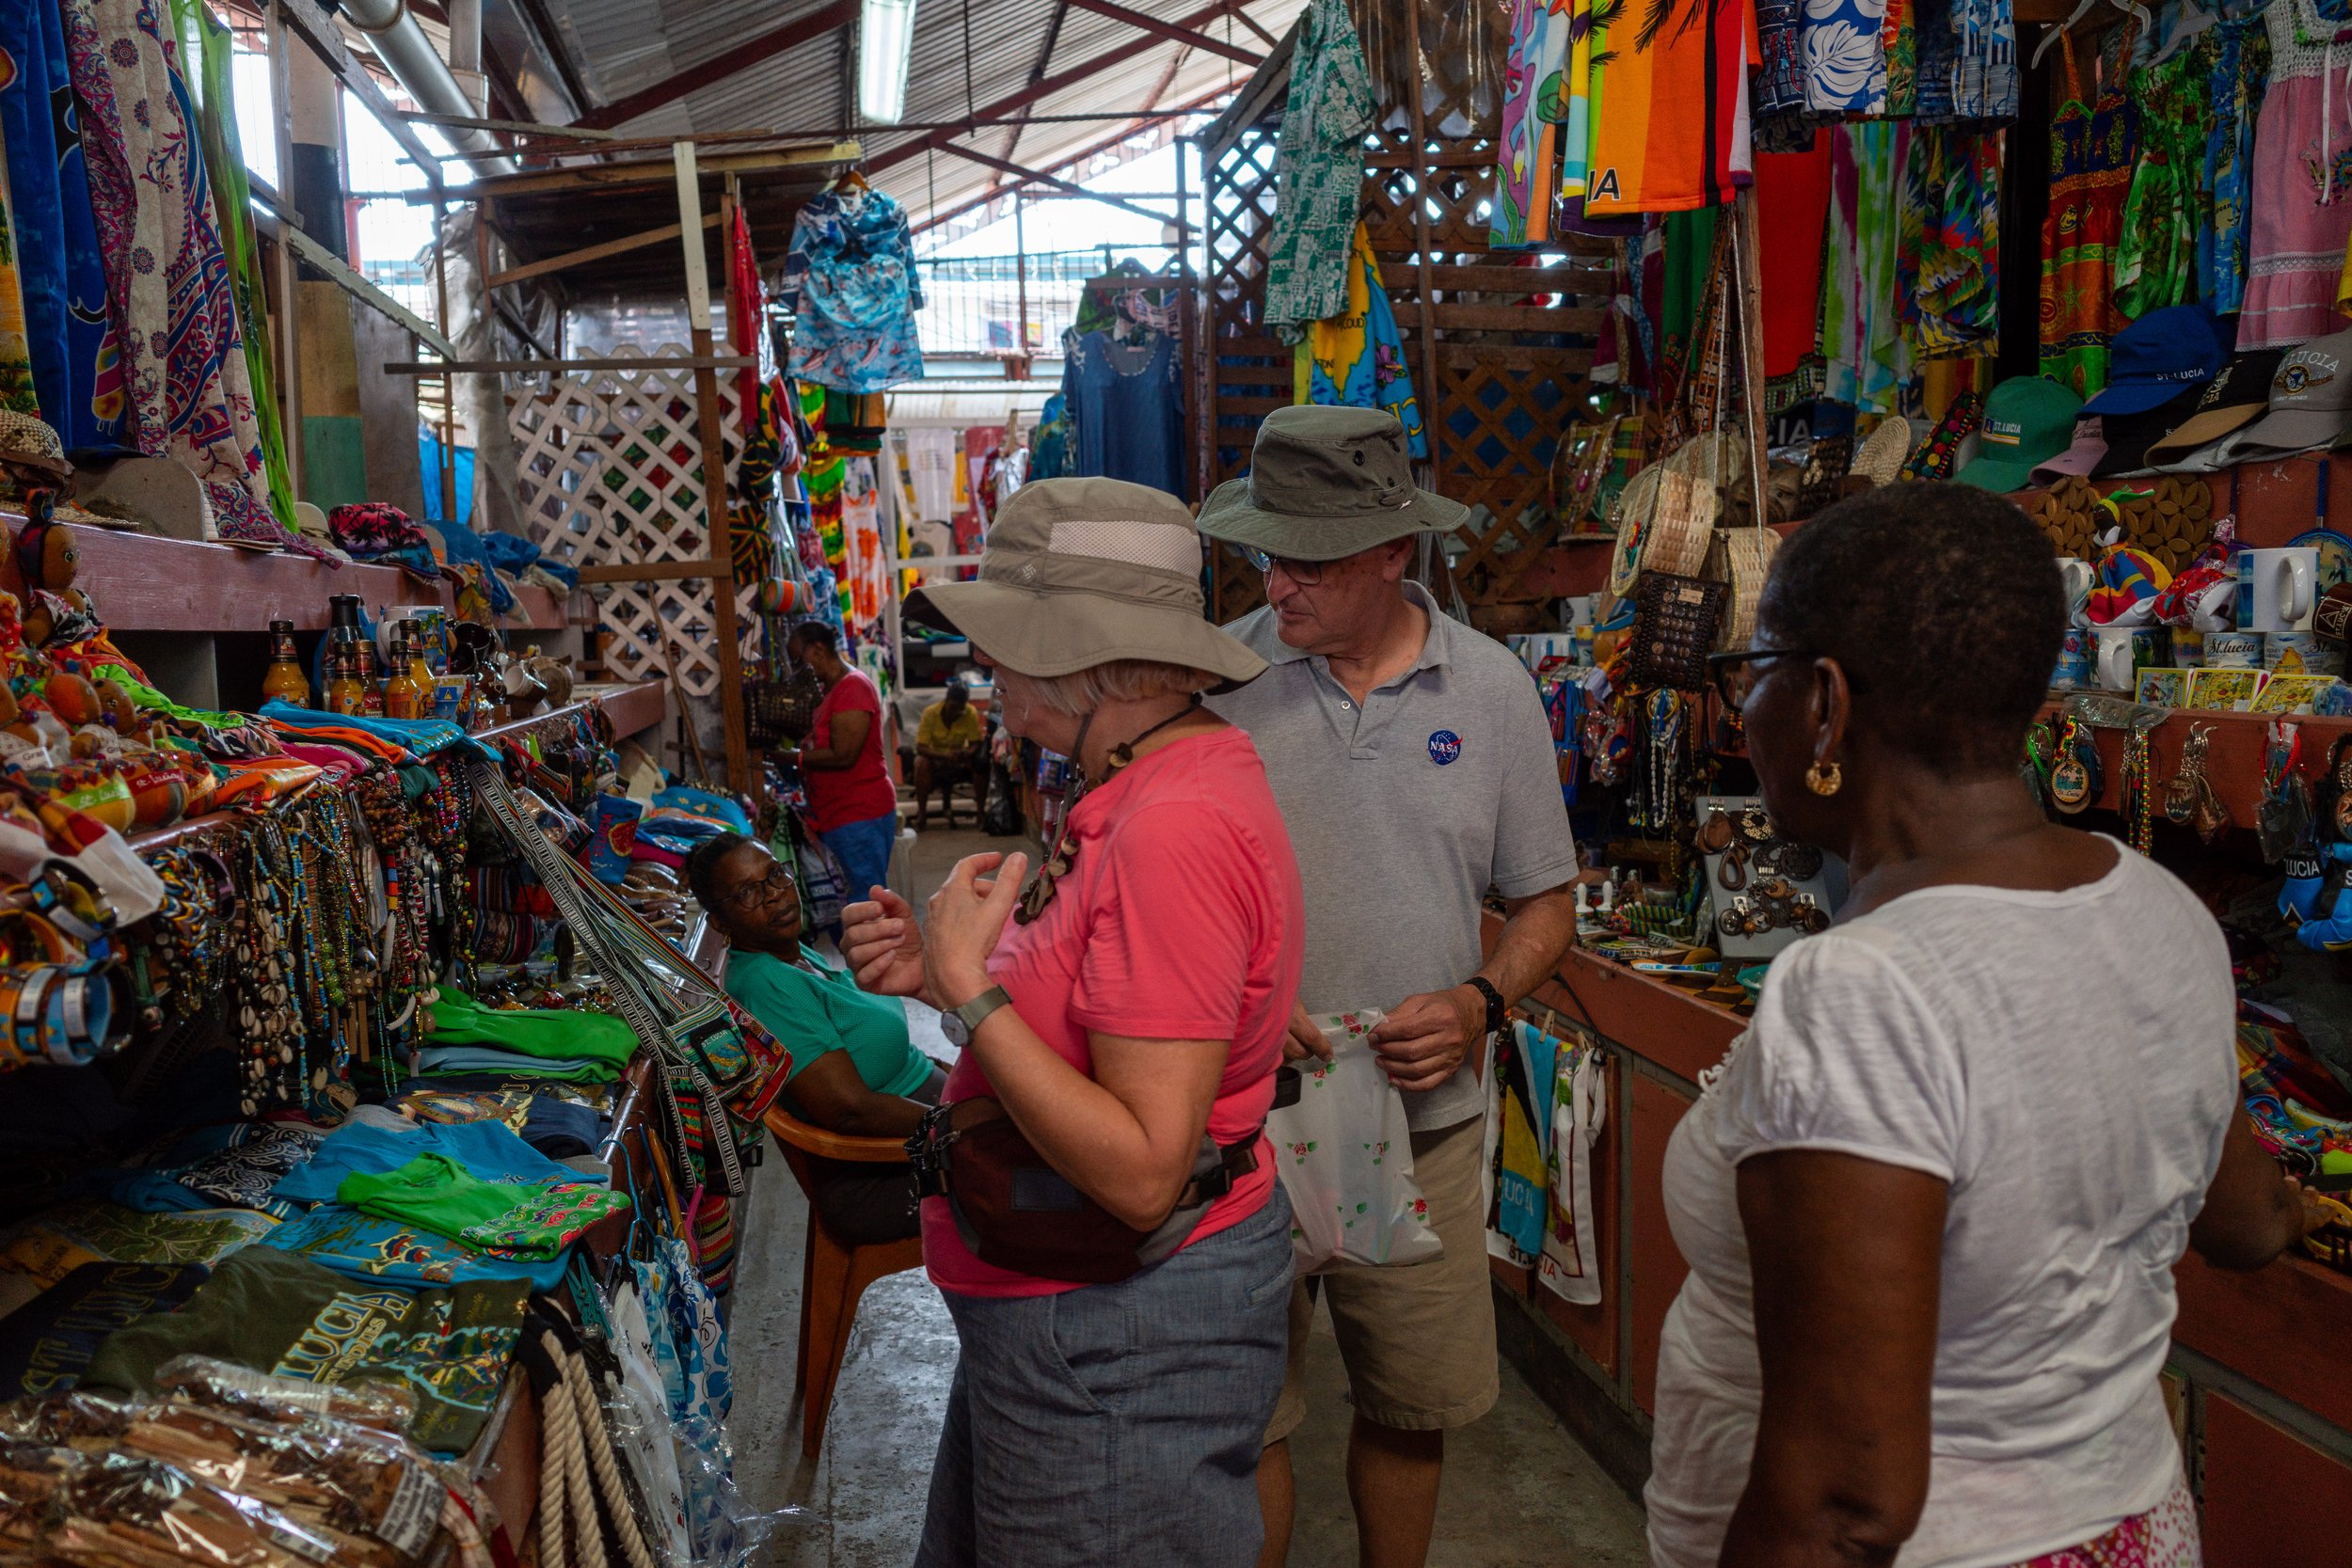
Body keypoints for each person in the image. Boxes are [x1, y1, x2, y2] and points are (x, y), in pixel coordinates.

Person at [1646, 483, 2328, 1568]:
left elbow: (1841, 1500)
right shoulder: (2154, 906)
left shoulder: (1864, 990)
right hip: (2129, 1523)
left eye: (1751, 672)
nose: (1744, 710)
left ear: (1824, 702)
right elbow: (2244, 1221)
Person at [837, 477, 1305, 1568]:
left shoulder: (1171, 824)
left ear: (1092, 661)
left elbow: (1144, 1166)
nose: (989, 670)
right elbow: (1106, 999)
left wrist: (970, 988)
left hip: (1113, 1338)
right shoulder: (1135, 785)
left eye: (1009, 643)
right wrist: (953, 967)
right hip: (1069, 1323)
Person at [1193, 405, 1580, 1568]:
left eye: (1308, 558)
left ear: (1388, 555)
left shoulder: (1494, 690)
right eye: (1268, 553)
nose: (1281, 582)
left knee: (1412, 1402)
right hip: (1241, 1118)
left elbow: (1545, 902)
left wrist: (1478, 1001)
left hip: (1424, 1125)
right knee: (1243, 1410)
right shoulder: (1217, 678)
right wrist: (1236, 1006)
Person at [684, 832, 941, 1244]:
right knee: (1044, 1174)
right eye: (748, 892)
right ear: (719, 920)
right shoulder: (766, 983)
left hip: (919, 1132)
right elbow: (848, 1110)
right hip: (881, 1173)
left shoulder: (796, 955)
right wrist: (957, 1124)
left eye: (775, 875)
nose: (774, 896)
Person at [782, 620, 899, 908]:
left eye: (799, 659)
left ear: (818, 650)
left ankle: (875, 953)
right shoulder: (832, 689)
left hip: (858, 811)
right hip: (839, 812)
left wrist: (792, 757)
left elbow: (844, 755)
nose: (797, 668)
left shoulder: (853, 687)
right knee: (855, 898)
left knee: (865, 900)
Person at [912, 677, 989, 829]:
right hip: (935, 758)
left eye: (961, 708)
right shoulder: (930, 713)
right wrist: (944, 756)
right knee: (921, 763)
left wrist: (966, 753)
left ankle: (981, 813)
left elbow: (974, 743)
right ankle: (922, 815)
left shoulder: (969, 712)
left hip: (959, 758)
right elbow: (921, 747)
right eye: (954, 707)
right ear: (946, 700)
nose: (957, 712)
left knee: (981, 766)